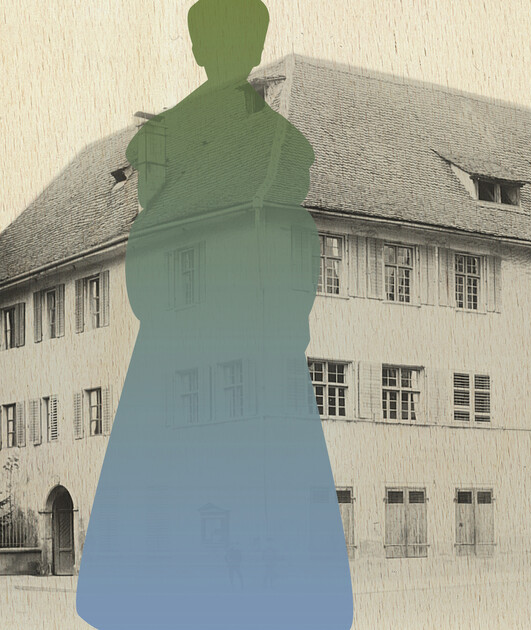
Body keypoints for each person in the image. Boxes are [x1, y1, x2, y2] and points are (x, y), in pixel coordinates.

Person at [75, 1, 353, 628]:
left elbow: (279, 237)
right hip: (217, 341)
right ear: (208, 48)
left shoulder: (259, 140)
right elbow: (163, 239)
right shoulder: (248, 139)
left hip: (212, 342)